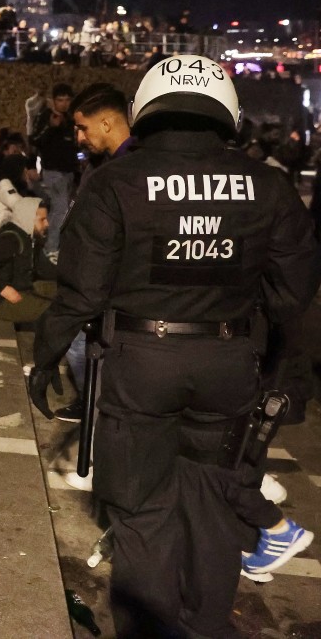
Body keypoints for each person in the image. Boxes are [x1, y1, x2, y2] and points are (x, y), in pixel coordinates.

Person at [28, 55, 320, 638]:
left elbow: (81, 291)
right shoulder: (268, 185)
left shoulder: (116, 182)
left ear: (146, 111)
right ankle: (205, 626)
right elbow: (296, 296)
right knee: (212, 512)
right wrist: (291, 378)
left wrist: (48, 356)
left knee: (141, 514)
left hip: (139, 364)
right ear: (227, 114)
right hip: (229, 363)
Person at [31, 82, 78, 259]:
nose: (64, 104)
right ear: (53, 100)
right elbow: (35, 141)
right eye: (60, 100)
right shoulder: (45, 116)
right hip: (53, 171)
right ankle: (51, 248)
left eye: (67, 100)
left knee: (60, 210)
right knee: (61, 209)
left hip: (69, 170)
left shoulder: (72, 118)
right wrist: (50, 127)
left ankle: (50, 244)